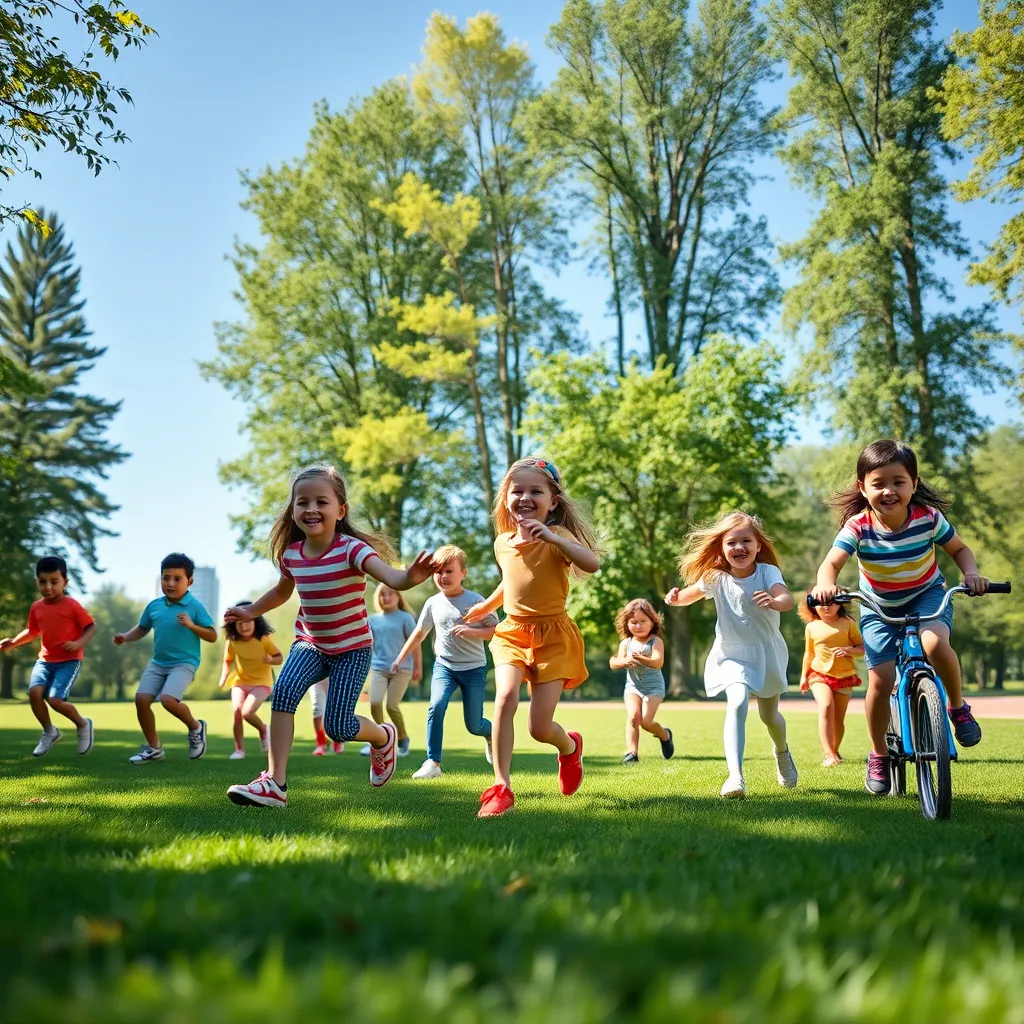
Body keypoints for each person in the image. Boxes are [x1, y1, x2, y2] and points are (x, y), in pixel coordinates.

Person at [225, 464, 436, 808]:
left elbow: (393, 579)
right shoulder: (291, 555)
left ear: (341, 510)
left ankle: (384, 737)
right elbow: (281, 592)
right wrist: (250, 611)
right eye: (302, 502)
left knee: (338, 726)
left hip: (352, 649)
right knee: (284, 693)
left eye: (321, 502)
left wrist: (411, 577)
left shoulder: (352, 550)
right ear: (292, 511)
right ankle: (275, 783)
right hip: (310, 643)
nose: (310, 509)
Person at [811, 439, 989, 796]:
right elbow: (832, 562)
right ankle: (878, 754)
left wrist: (971, 574)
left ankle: (957, 708)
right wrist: (825, 584)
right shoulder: (858, 527)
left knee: (936, 643)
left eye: (898, 482)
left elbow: (959, 549)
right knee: (881, 678)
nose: (889, 491)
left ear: (914, 483)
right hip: (878, 606)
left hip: (927, 596)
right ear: (863, 487)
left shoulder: (929, 519)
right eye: (878, 483)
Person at [464, 457, 600, 818]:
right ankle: (501, 787)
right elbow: (511, 582)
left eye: (535, 491)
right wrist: (485, 607)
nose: (525, 497)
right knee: (505, 697)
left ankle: (569, 747)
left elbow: (591, 564)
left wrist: (555, 538)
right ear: (505, 497)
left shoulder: (560, 538)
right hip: (513, 632)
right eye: (517, 490)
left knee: (539, 728)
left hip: (554, 636)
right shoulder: (502, 543)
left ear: (552, 501)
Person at [666, 511, 798, 799]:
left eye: (746, 541)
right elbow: (691, 594)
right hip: (731, 653)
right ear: (722, 548)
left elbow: (787, 600)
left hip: (766, 652)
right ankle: (735, 777)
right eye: (732, 543)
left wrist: (775, 602)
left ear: (758, 545)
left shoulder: (768, 573)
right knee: (737, 702)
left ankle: (782, 751)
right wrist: (675, 599)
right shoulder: (716, 577)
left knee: (770, 717)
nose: (739, 548)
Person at [392, 545, 498, 780]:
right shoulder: (433, 603)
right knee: (436, 706)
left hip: (474, 669)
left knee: (474, 724)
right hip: (445, 666)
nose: (443, 577)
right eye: (438, 572)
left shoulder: (476, 601)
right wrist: (399, 659)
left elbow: (496, 631)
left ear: (464, 573)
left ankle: (490, 735)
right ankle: (433, 763)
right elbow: (419, 633)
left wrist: (472, 631)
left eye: (449, 571)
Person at [114, 552, 218, 763]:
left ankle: (196, 727)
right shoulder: (154, 606)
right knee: (141, 700)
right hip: (158, 662)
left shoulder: (194, 606)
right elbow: (142, 628)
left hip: (184, 663)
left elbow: (212, 635)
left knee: (168, 700)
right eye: (165, 577)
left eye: (177, 579)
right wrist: (126, 636)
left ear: (189, 581)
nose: (170, 583)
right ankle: (154, 748)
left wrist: (191, 625)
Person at [0, 556, 96, 757]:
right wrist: (13, 642)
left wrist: (78, 643)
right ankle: (50, 731)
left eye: (54, 582)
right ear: (37, 581)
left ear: (65, 582)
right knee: (34, 693)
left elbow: (90, 626)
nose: (48, 587)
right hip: (45, 660)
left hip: (69, 661)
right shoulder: (37, 607)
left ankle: (82, 723)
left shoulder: (72, 605)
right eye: (43, 582)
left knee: (54, 699)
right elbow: (32, 631)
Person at [798, 597, 863, 766]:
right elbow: (809, 653)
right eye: (820, 603)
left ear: (840, 603)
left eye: (830, 602)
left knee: (838, 719)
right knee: (826, 706)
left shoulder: (848, 623)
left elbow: (862, 649)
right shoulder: (811, 626)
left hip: (844, 676)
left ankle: (834, 751)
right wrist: (804, 676)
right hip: (818, 673)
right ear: (812, 606)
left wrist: (849, 650)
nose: (825, 606)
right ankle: (828, 754)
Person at [359, 584, 420, 759]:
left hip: (402, 669)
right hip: (379, 668)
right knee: (375, 703)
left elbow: (415, 645)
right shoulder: (373, 620)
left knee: (392, 706)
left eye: (390, 594)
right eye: (382, 595)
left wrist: (418, 668)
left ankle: (402, 738)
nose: (386, 598)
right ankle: (380, 740)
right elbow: (367, 645)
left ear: (398, 597)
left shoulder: (406, 618)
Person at [609, 598, 674, 764]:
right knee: (633, 718)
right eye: (634, 622)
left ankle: (665, 735)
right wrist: (625, 661)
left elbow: (658, 662)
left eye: (643, 622)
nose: (638, 626)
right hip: (633, 687)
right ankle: (632, 753)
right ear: (627, 623)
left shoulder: (656, 641)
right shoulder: (626, 643)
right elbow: (614, 662)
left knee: (646, 721)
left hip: (653, 688)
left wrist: (642, 659)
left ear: (652, 623)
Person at [217, 600, 282, 759]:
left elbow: (279, 658)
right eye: (239, 623)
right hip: (240, 681)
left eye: (247, 622)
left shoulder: (263, 639)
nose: (244, 626)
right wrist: (223, 677)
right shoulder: (232, 640)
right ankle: (239, 750)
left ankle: (263, 729)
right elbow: (227, 660)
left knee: (247, 712)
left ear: (255, 621)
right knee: (237, 712)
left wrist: (270, 659)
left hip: (262, 683)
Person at [310, 680, 343, 756]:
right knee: (317, 710)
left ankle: (337, 740)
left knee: (335, 710)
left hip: (336, 679)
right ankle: (321, 744)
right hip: (317, 679)